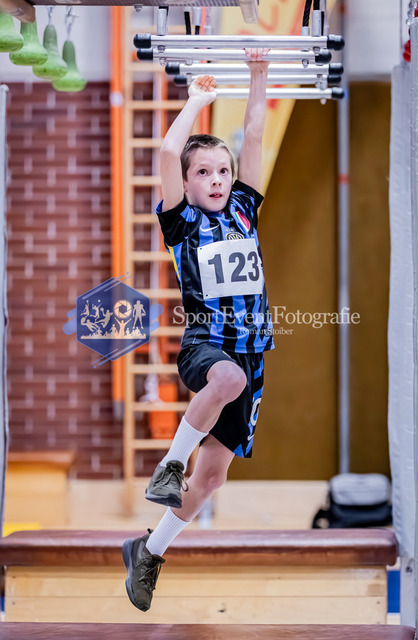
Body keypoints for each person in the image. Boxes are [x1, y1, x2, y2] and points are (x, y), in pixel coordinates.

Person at [122, 47, 274, 613]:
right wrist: (195, 102)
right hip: (206, 346)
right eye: (203, 173)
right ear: (186, 184)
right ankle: (169, 463)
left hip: (253, 353)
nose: (216, 180)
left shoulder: (244, 210)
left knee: (210, 479)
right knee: (228, 379)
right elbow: (168, 150)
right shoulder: (182, 222)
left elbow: (253, 136)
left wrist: (259, 75)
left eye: (222, 171)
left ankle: (148, 550)